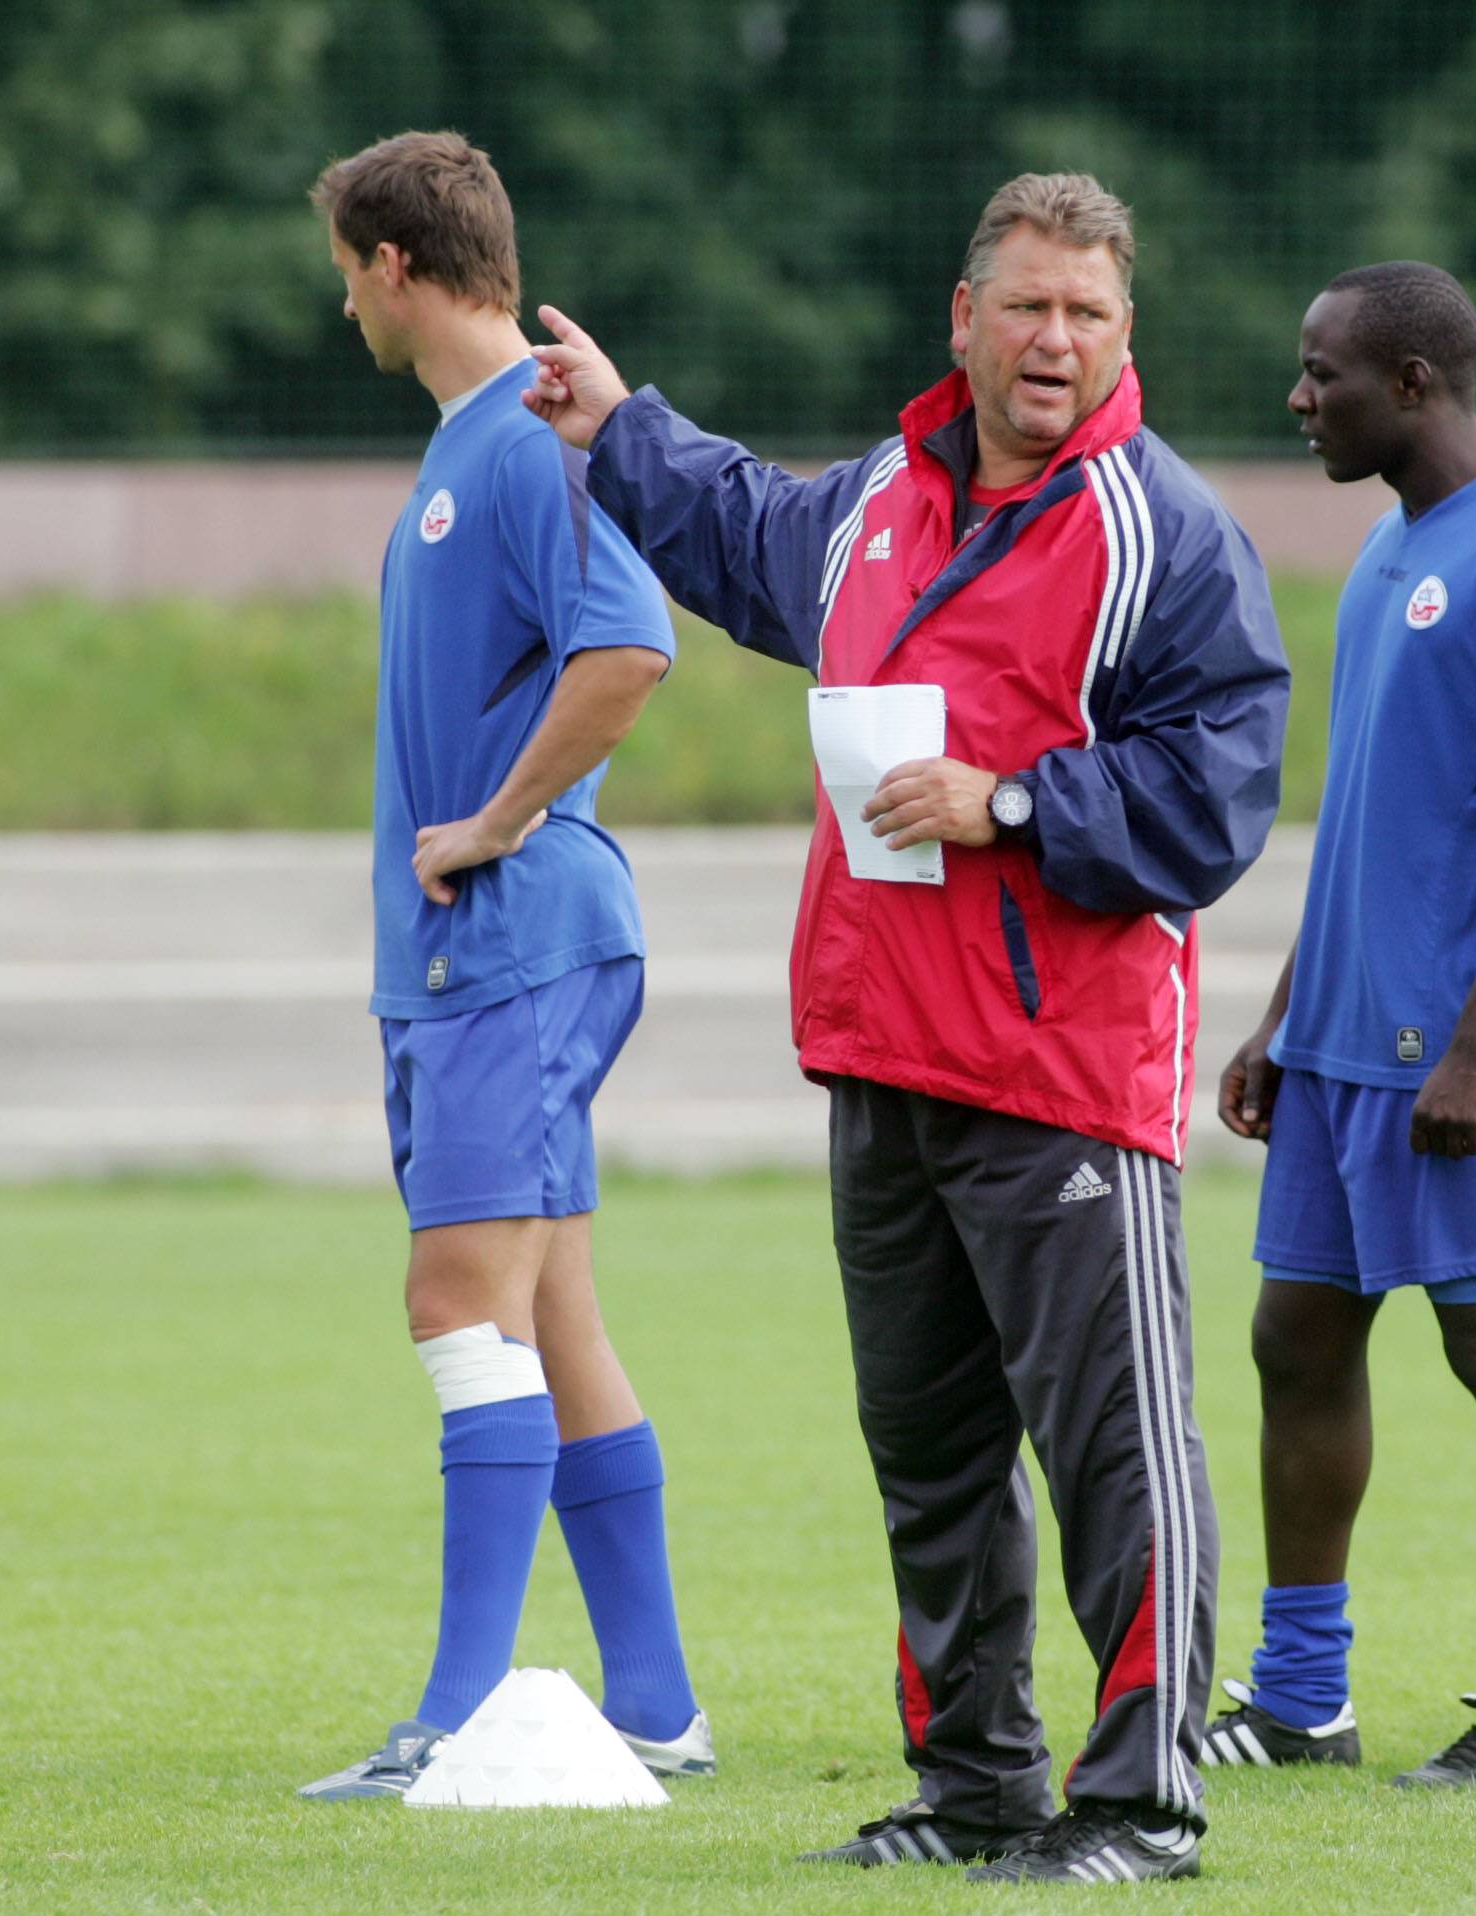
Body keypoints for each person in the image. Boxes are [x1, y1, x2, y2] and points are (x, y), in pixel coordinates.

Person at [521, 173, 1289, 1884]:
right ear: (965, 316)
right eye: (1027, 306)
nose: (1055, 342)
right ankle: (974, 1789)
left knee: (1115, 1457)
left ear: (1124, 334)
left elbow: (1224, 782)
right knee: (931, 1460)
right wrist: (617, 423)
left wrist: (1014, 805)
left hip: (1062, 1070)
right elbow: (745, 533)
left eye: (1088, 315)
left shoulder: (1158, 529)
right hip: (880, 1049)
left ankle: (1141, 1803)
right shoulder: (885, 493)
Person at [297, 131, 707, 1799]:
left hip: (515, 952)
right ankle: (661, 1705)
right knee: (553, 1312)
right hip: (465, 969)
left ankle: (457, 1717)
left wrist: (490, 823)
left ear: (396, 263)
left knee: (458, 1302)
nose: (342, 305)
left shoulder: (530, 441)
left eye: (346, 270)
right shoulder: (467, 447)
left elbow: (631, 648)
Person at [1206, 264, 1476, 1790]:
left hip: (1463, 1054)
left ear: (1417, 385)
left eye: (1324, 375)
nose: (1301, 399)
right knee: (1293, 1338)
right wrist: (1281, 1016)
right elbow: (1372, 818)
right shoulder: (1393, 552)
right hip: (1339, 1048)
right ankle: (1304, 1699)